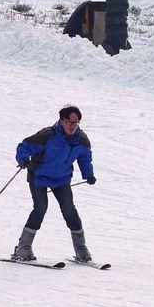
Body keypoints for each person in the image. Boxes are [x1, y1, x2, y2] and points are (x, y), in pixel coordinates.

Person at [13, 105, 97, 262]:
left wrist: (89, 174)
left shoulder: (81, 140)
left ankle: (81, 249)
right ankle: (23, 247)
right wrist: (23, 158)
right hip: (39, 176)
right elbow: (25, 146)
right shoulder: (47, 135)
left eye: (76, 122)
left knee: (69, 210)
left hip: (61, 179)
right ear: (61, 121)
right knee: (40, 208)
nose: (72, 126)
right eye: (69, 122)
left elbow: (85, 158)